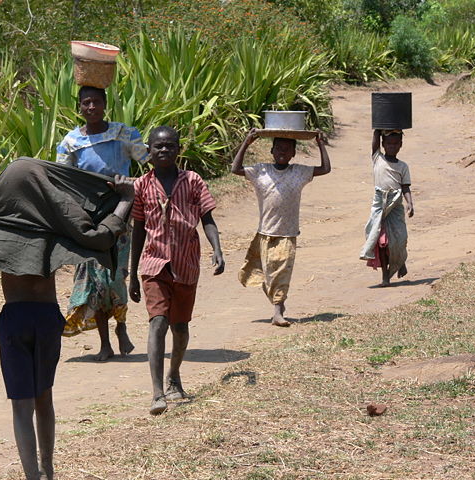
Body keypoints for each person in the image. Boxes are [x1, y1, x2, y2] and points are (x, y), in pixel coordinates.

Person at [0, 158, 135, 480]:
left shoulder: (0, 227)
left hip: (14, 319)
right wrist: (125, 199)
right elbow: (99, 235)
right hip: (47, 318)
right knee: (45, 399)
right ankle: (48, 469)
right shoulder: (55, 228)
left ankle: (33, 475)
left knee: (21, 405)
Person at [128, 126, 225, 415]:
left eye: (170, 146)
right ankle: (157, 392)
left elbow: (207, 218)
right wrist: (132, 274)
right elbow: (137, 230)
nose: (164, 150)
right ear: (149, 151)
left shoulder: (193, 181)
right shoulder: (141, 186)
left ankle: (174, 374)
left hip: (185, 264)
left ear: (178, 149)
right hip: (154, 263)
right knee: (157, 322)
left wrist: (217, 249)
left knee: (180, 327)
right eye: (158, 146)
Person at [56, 85, 148, 361]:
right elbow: (63, 179)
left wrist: (132, 187)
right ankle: (105, 342)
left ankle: (121, 326)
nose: (92, 107)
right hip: (87, 218)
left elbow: (149, 160)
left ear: (106, 104)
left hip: (120, 213)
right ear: (80, 107)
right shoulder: (70, 141)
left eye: (96, 102)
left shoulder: (123, 133)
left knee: (116, 274)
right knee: (94, 278)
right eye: (86, 103)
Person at [231, 129, 331, 327]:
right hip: (265, 233)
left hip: (288, 233)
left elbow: (325, 168)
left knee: (281, 274)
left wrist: (320, 143)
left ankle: (277, 311)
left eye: (287, 149)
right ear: (272, 150)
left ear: (294, 153)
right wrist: (247, 142)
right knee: (268, 276)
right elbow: (235, 169)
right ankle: (278, 303)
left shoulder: (299, 172)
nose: (282, 152)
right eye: (278, 148)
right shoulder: (261, 170)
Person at [359, 129, 414, 287]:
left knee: (400, 239)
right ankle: (385, 276)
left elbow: (405, 187)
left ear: (401, 145)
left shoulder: (403, 166)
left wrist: (410, 204)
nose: (392, 146)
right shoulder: (377, 158)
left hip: (395, 205)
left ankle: (399, 260)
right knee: (382, 242)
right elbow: (375, 138)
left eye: (396, 143)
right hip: (380, 204)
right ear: (383, 144)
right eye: (389, 143)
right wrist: (379, 124)